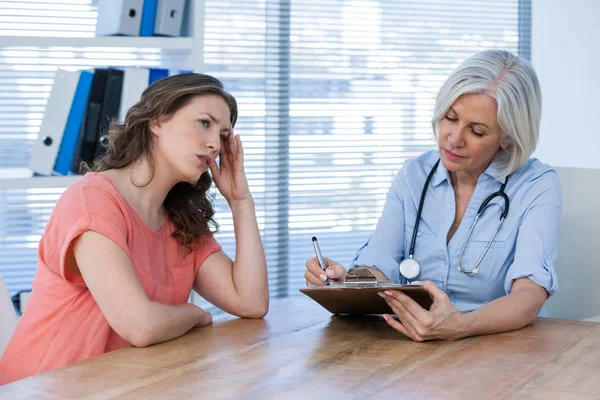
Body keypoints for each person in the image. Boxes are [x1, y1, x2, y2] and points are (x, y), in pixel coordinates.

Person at [0, 73, 268, 384]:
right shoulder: (92, 201)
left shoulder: (180, 218)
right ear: (156, 121)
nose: (213, 144)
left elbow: (250, 302)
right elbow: (140, 326)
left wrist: (241, 200)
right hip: (45, 387)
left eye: (223, 135)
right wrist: (196, 314)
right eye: (204, 123)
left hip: (124, 387)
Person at [305, 50, 561, 342]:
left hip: (498, 345)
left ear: (508, 137)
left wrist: (460, 325)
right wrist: (346, 283)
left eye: (476, 131)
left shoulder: (536, 185)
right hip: (414, 344)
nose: (453, 139)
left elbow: (529, 295)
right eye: (450, 118)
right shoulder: (413, 175)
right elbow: (378, 265)